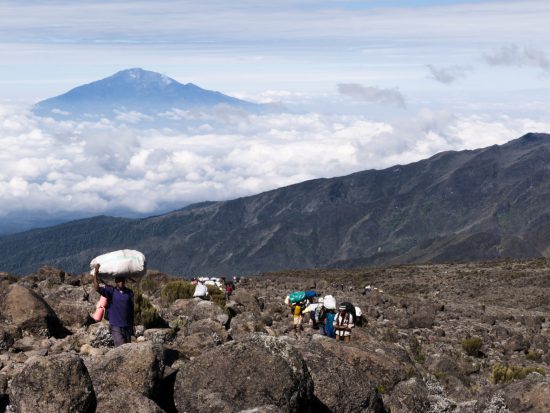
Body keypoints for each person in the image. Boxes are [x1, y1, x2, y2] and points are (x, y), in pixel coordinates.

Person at [92, 263, 134, 347]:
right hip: (116, 326)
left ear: (124, 281)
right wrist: (95, 274)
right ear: (116, 281)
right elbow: (97, 288)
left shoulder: (129, 292)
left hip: (127, 326)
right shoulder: (111, 291)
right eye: (119, 280)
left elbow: (131, 309)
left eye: (122, 280)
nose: (121, 282)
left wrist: (132, 325)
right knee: (121, 348)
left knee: (127, 349)